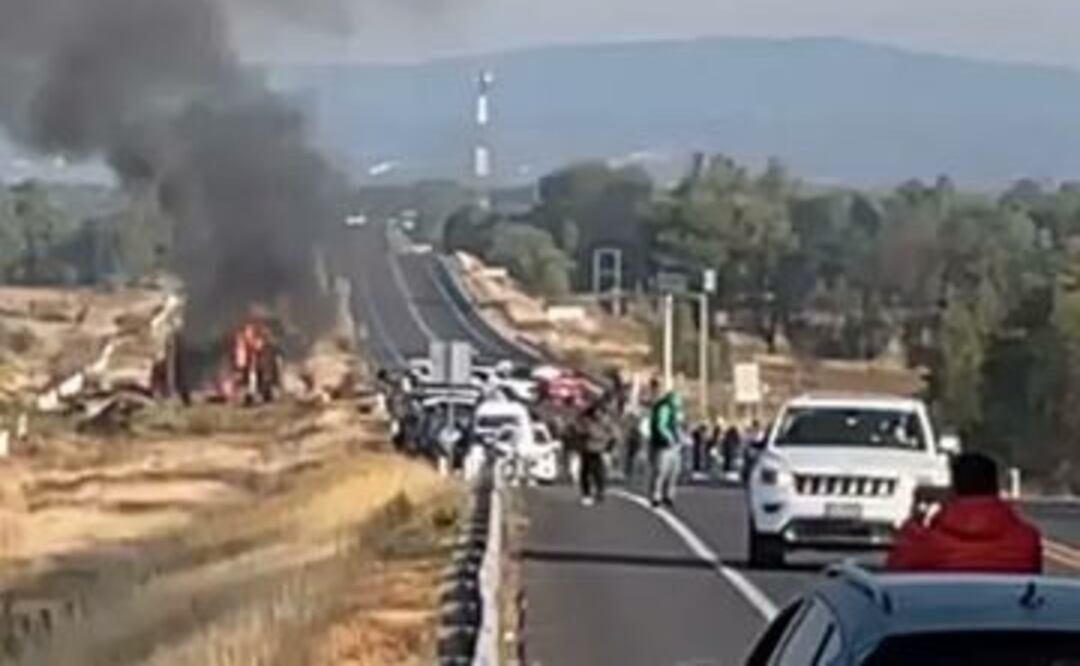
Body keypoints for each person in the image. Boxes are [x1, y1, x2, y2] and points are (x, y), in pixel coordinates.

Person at [887, 452, 1042, 573]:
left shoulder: (924, 543)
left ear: (954, 489)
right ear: (995, 489)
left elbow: (897, 572)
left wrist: (914, 520)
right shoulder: (1026, 541)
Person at [648, 389, 684, 507]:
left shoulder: (676, 411)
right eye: (678, 399)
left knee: (674, 472)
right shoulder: (664, 408)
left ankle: (669, 495)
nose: (679, 402)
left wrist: (682, 439)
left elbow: (678, 427)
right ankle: (656, 495)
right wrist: (669, 438)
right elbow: (661, 426)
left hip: (675, 445)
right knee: (661, 471)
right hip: (664, 445)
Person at [578, 402, 616, 505]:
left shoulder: (606, 422)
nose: (597, 414)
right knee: (585, 473)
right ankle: (586, 494)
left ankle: (600, 492)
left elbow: (614, 435)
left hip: (599, 451)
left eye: (599, 412)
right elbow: (579, 431)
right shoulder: (586, 421)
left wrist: (609, 449)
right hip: (587, 450)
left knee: (599, 473)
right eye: (595, 411)